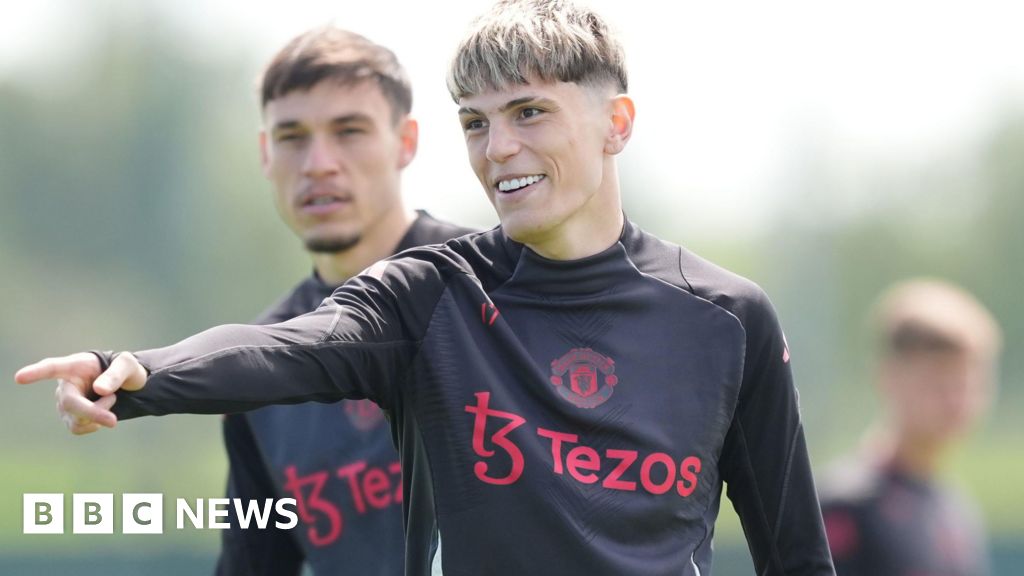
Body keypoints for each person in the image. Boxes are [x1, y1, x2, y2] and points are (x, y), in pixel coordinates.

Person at [16, 1, 835, 574]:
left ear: (615, 124)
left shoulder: (727, 318)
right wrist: (138, 374)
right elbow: (290, 343)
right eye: (476, 123)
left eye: (529, 113)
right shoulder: (431, 294)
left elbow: (795, 557)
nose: (497, 148)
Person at [213, 27, 475, 576]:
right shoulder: (259, 369)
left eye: (349, 131)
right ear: (265, 154)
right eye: (292, 137)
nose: (318, 163)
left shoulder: (496, 290)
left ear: (405, 142)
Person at [818, 279, 1000, 576]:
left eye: (968, 383)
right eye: (939, 381)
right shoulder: (845, 504)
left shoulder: (956, 510)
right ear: (888, 377)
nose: (956, 401)